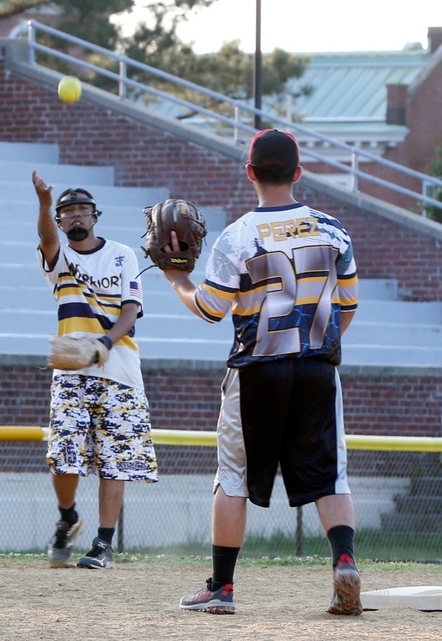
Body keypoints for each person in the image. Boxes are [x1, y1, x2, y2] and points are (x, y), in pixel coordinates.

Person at [160, 129, 362, 615]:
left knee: (232, 478)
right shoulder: (332, 229)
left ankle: (222, 588)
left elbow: (210, 309)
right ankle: (345, 563)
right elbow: (348, 306)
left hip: (257, 371)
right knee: (331, 478)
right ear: (297, 172)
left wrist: (178, 278)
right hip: (317, 368)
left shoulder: (238, 236)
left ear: (250, 172)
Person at [31, 171, 159, 570]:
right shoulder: (59, 255)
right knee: (63, 455)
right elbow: (48, 239)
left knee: (114, 459)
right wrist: (43, 204)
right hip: (70, 366)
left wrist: (105, 343)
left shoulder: (122, 254)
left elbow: (131, 310)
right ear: (60, 220)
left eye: (82, 210)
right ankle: (68, 516)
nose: (75, 217)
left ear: (94, 215)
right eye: (67, 212)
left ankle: (103, 544)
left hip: (118, 367)